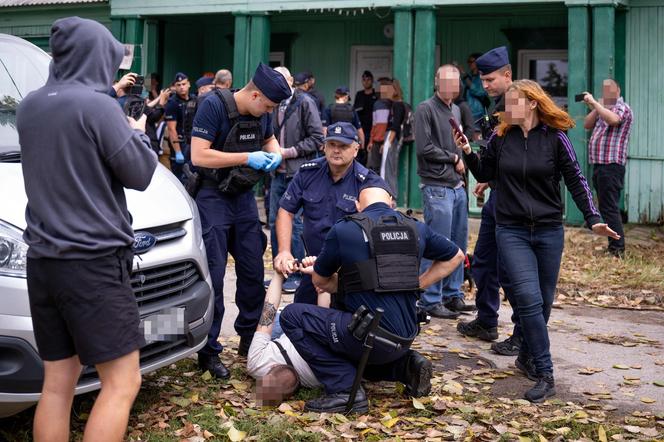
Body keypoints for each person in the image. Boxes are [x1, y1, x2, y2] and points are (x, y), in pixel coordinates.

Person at [17, 16, 158, 441]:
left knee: (58, 385)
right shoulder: (99, 107)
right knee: (122, 382)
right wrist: (139, 135)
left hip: (44, 263)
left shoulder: (30, 105)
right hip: (93, 266)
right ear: (97, 57)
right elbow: (141, 173)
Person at [456, 79, 618, 402]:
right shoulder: (501, 138)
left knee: (541, 303)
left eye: (511, 103)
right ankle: (546, 372)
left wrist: (594, 218)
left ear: (531, 103)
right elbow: (484, 171)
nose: (504, 110)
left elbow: (576, 179)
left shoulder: (556, 138)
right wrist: (467, 153)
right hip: (511, 229)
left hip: (548, 231)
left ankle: (526, 355)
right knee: (528, 298)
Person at [280, 186, 465, 412]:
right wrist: (418, 284)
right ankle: (406, 366)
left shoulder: (345, 229)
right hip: (404, 337)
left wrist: (339, 280)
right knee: (359, 339)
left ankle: (345, 390)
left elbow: (321, 281)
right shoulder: (416, 228)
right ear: (391, 203)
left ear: (357, 206)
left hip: (366, 339)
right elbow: (456, 255)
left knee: (292, 316)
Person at [190, 62, 291, 377]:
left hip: (244, 197)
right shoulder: (214, 106)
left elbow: (269, 140)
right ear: (256, 94)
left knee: (251, 270)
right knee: (216, 276)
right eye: (269, 106)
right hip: (212, 197)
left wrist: (275, 153)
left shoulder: (263, 113)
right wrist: (247, 157)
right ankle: (208, 351)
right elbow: (199, 155)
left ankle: (250, 339)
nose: (269, 112)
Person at [273, 122, 387, 305]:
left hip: (351, 274)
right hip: (314, 266)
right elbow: (286, 210)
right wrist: (284, 251)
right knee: (298, 319)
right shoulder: (307, 173)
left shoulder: (368, 183)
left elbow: (380, 225)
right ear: (324, 147)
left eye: (343, 146)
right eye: (332, 144)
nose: (336, 150)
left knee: (347, 327)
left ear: (356, 149)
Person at [456, 46, 521, 357]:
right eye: (482, 80)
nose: (486, 85)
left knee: (512, 269)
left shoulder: (518, 106)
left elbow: (524, 155)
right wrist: (487, 177)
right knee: (482, 260)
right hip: (497, 195)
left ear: (507, 75)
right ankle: (486, 320)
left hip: (515, 203)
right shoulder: (498, 106)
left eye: (491, 79)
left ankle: (523, 333)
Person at [415, 65, 473, 319]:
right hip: (436, 185)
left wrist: (461, 162)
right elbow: (424, 148)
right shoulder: (425, 108)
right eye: (447, 82)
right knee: (438, 244)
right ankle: (430, 299)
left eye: (456, 82)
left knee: (458, 244)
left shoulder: (457, 109)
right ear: (437, 83)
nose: (452, 87)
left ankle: (453, 295)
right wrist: (452, 158)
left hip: (457, 184)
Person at [270, 66, 324, 293]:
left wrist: (288, 151)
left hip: (298, 172)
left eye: (282, 79)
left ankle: (297, 273)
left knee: (297, 223)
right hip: (277, 172)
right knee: (275, 220)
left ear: (291, 81)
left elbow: (317, 138)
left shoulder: (305, 102)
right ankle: (280, 272)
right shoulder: (272, 102)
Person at [247, 272, 322, 406]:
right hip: (305, 330)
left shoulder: (316, 378)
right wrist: (279, 274)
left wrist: (279, 273)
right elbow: (268, 311)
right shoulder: (256, 364)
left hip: (292, 335)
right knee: (276, 319)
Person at [583, 79, 633, 258]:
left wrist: (596, 103)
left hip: (611, 165)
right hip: (600, 164)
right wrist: (597, 107)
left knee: (610, 207)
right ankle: (614, 246)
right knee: (605, 206)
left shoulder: (622, 107)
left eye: (609, 89)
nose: (606, 93)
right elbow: (587, 125)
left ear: (618, 90)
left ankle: (617, 249)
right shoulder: (602, 110)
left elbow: (614, 120)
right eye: (604, 90)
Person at [367, 78, 407, 196]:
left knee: (387, 169)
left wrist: (386, 143)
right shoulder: (393, 104)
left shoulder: (398, 105)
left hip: (391, 137)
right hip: (389, 137)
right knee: (387, 168)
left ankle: (390, 196)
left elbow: (394, 127)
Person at [165, 72, 197, 182]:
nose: (182, 87)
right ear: (174, 87)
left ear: (189, 84)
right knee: (180, 179)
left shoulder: (194, 99)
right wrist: (178, 151)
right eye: (178, 85)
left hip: (193, 143)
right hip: (180, 144)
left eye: (184, 84)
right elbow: (171, 129)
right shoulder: (172, 103)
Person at [353, 70, 378, 165]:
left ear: (372, 81)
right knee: (360, 154)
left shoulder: (376, 95)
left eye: (368, 79)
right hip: (360, 129)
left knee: (373, 157)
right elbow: (355, 112)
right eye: (364, 80)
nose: (366, 82)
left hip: (373, 130)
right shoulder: (359, 95)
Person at [462, 53, 490, 122]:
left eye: (471, 62)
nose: (469, 64)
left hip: (478, 112)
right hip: (467, 111)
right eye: (468, 62)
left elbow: (480, 92)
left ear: (477, 62)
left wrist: (465, 76)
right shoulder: (469, 77)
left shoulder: (482, 78)